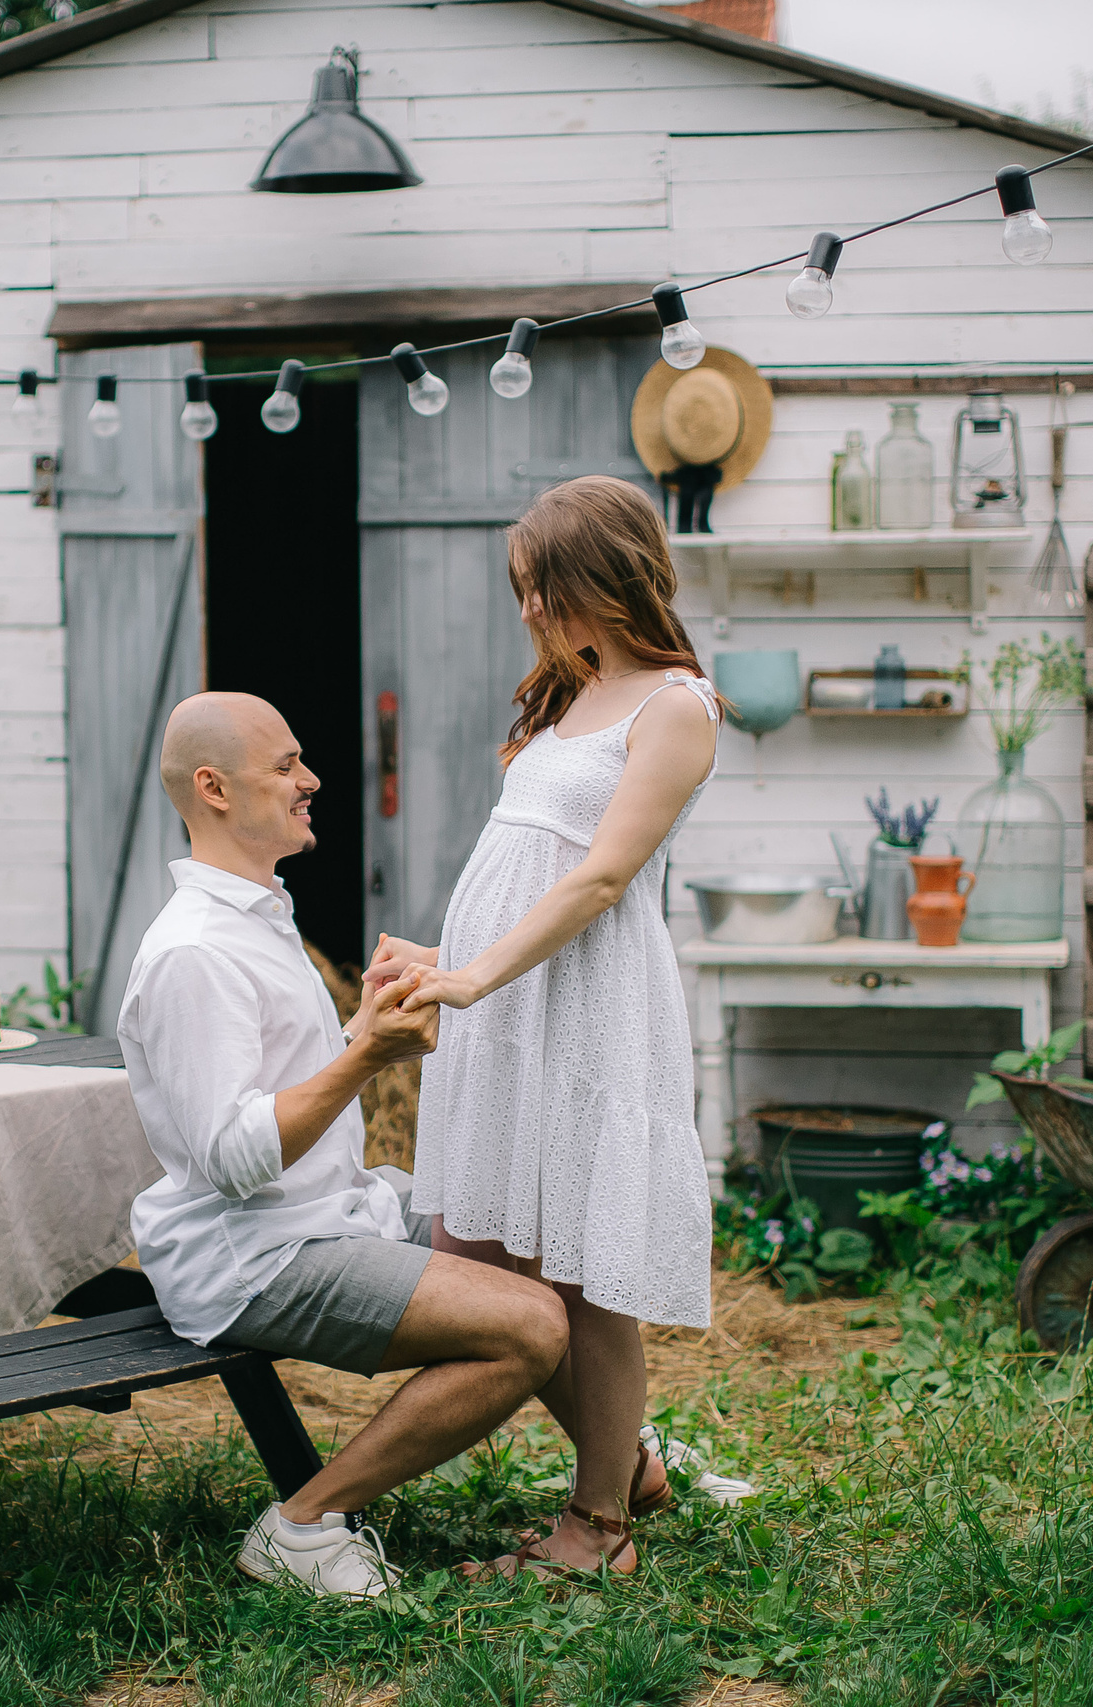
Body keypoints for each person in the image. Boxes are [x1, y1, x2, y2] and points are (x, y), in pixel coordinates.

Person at [368, 474, 748, 1581]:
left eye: (541, 587)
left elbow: (600, 878)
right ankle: (624, 1463)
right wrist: (452, 959)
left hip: (584, 1011)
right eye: (523, 590)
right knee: (479, 1255)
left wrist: (477, 974)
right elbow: (527, 859)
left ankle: (601, 1530)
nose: (528, 610)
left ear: (604, 576)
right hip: (509, 1006)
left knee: (580, 1275)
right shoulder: (569, 696)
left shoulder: (676, 704)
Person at [120, 691, 570, 1600]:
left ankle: (617, 1461)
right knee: (532, 1327)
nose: (310, 778)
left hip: (328, 1207)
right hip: (253, 1254)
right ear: (213, 787)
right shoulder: (194, 953)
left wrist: (365, 1020)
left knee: (512, 1208)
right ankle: (304, 1522)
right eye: (284, 765)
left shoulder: (256, 915)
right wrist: (367, 1052)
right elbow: (232, 1158)